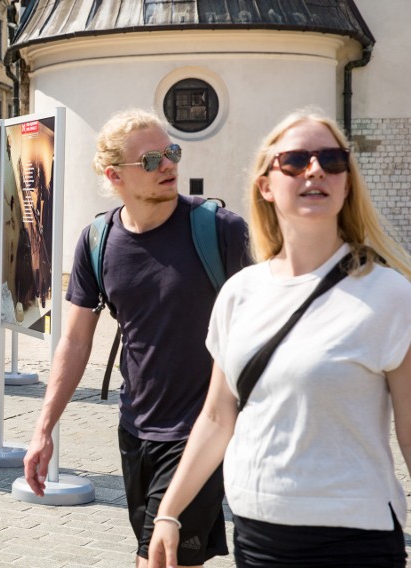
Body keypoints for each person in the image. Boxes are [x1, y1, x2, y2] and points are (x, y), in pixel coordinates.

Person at [148, 111, 411, 568]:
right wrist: (169, 513)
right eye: (294, 160)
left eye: (332, 160)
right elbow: (216, 416)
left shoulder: (389, 295)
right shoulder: (240, 293)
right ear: (266, 185)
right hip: (256, 529)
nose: (315, 170)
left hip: (354, 537)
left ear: (346, 182)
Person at [22, 109, 250, 567]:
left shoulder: (219, 230)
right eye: (150, 160)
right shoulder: (97, 240)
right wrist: (43, 429)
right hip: (135, 428)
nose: (168, 165)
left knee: (158, 560)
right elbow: (75, 342)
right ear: (114, 175)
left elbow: (258, 326)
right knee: (155, 554)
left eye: (171, 153)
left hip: (201, 431)